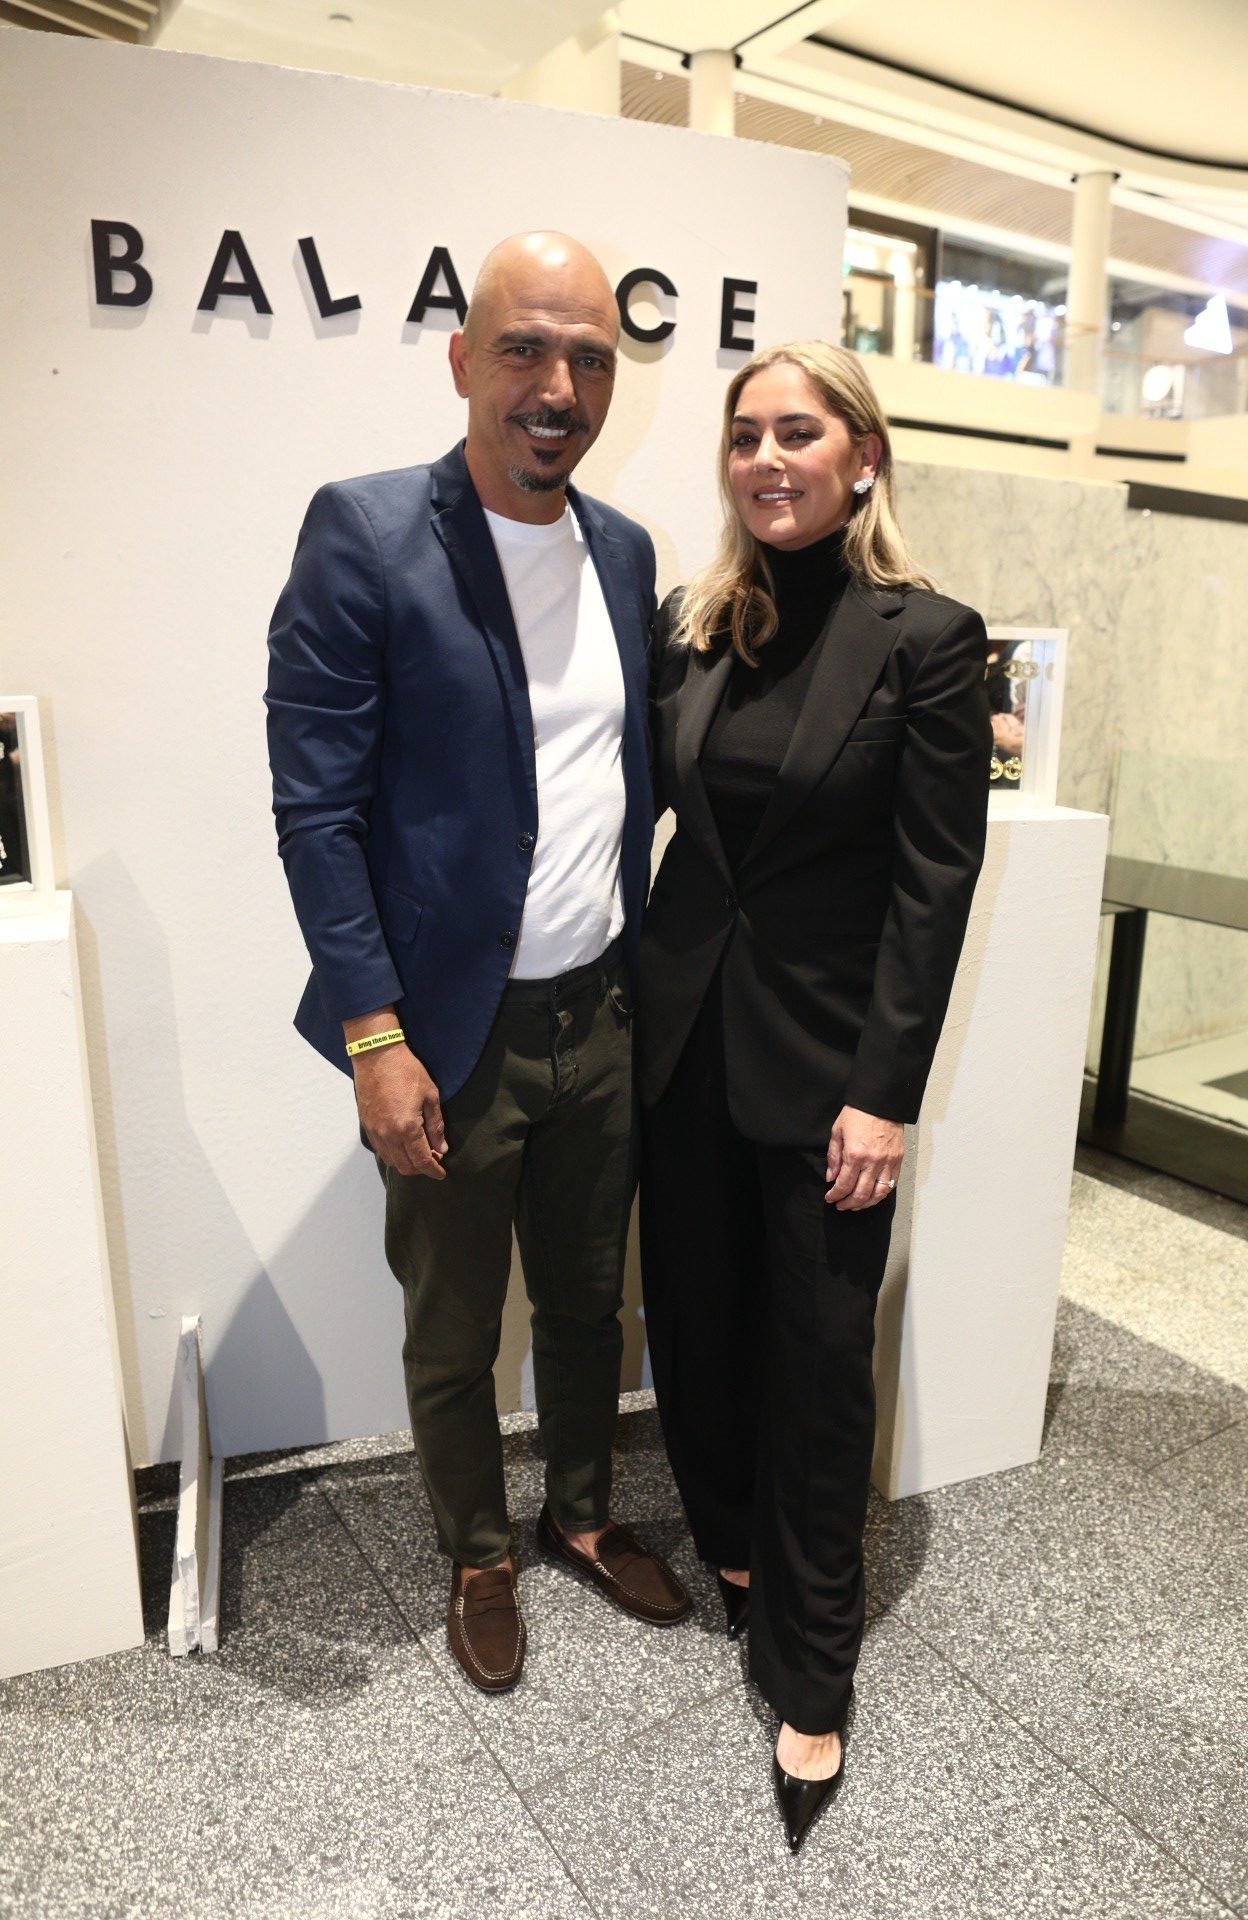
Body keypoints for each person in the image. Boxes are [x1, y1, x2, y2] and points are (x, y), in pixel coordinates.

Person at [265, 230, 691, 1697]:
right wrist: (375, 1038)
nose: (557, 386)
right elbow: (316, 812)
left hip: (600, 1013)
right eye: (525, 348)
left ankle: (579, 1511)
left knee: (586, 1302)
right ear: (462, 360)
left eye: (589, 358)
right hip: (448, 1032)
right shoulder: (366, 532)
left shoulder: (625, 551)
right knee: (452, 1327)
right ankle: (476, 1551)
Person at [638, 340, 989, 1851]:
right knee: (699, 1327)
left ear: (863, 454)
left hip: (833, 1075)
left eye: (798, 431)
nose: (767, 459)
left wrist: (885, 1095)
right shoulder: (697, 626)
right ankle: (732, 1550)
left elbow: (933, 883)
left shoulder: (930, 638)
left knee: (823, 1365)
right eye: (744, 436)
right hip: (682, 1050)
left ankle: (812, 1663)